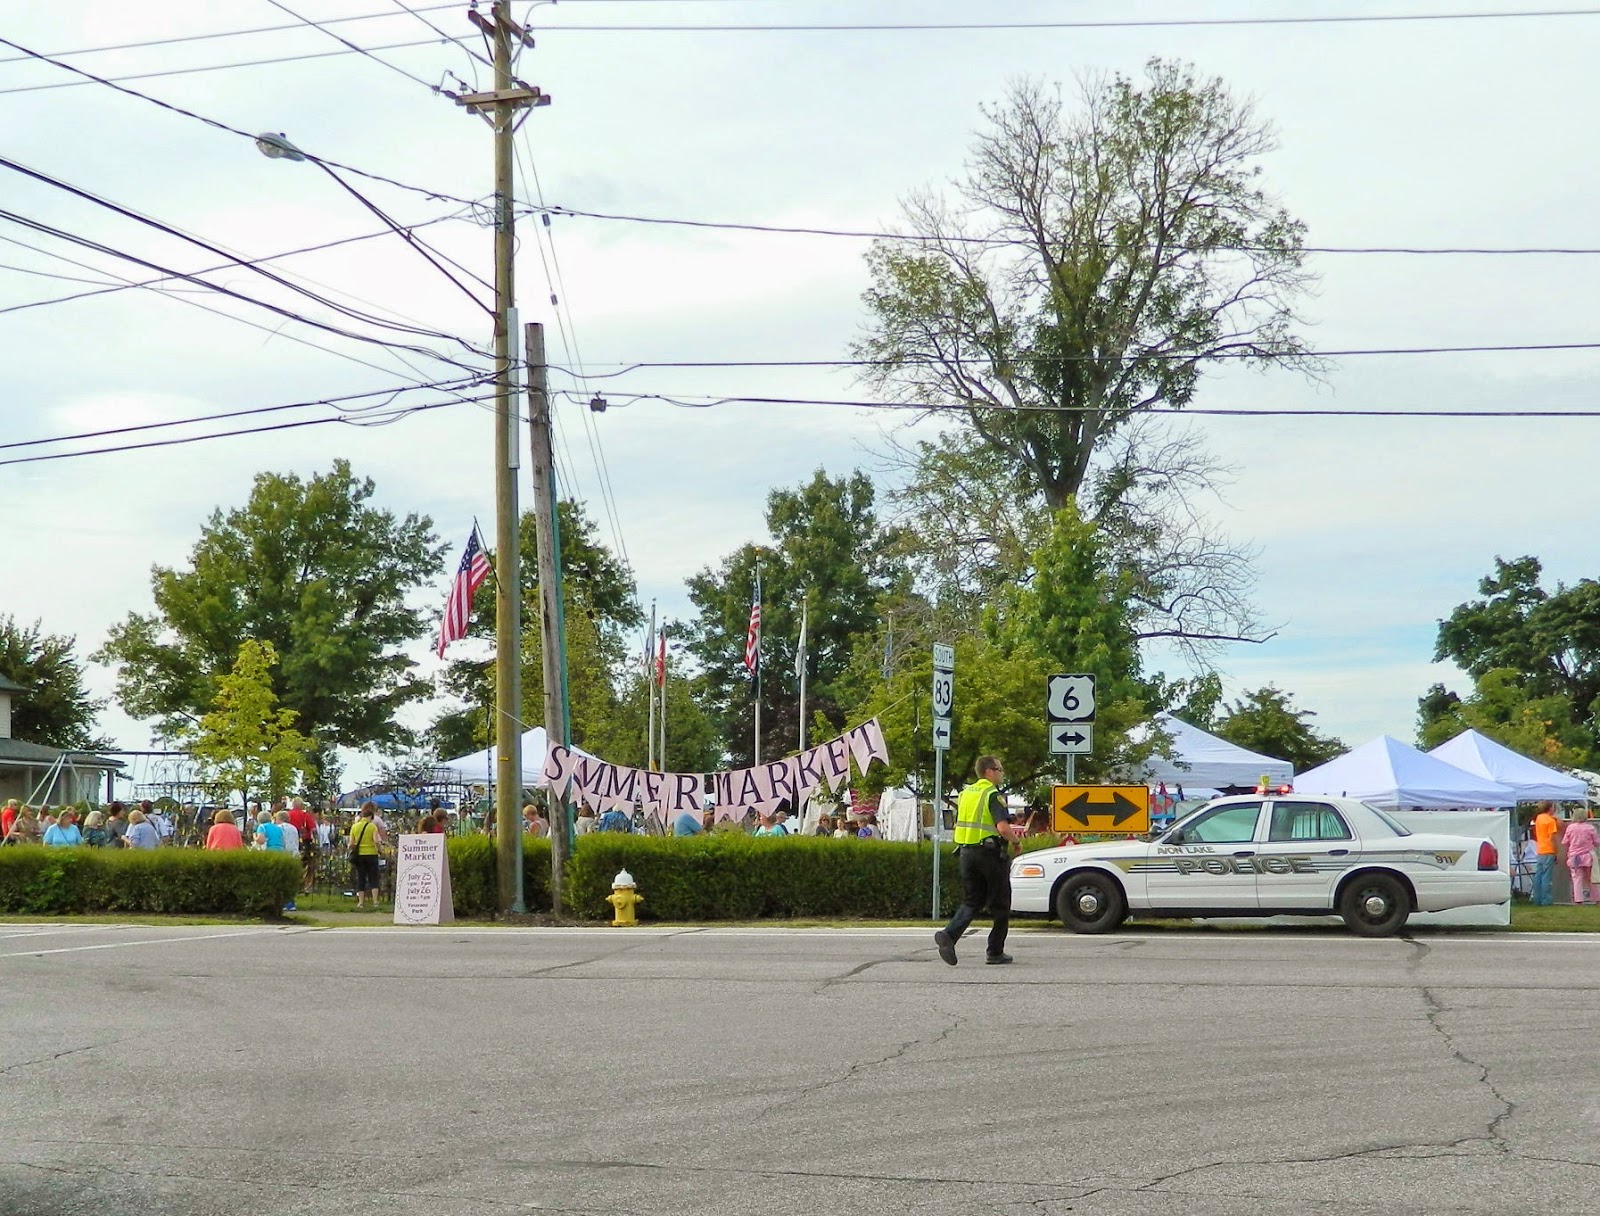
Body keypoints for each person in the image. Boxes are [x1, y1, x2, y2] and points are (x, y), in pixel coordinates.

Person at [934, 755, 1017, 967]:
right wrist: (1016, 841)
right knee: (1001, 905)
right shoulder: (992, 794)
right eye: (999, 769)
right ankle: (995, 952)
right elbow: (1002, 828)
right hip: (989, 854)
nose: (1002, 774)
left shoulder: (965, 794)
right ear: (989, 772)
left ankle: (949, 935)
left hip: (966, 853)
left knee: (973, 901)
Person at [348, 802, 384, 910]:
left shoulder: (354, 827)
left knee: (361, 878)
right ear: (371, 817)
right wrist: (380, 851)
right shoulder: (372, 827)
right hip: (371, 854)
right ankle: (375, 901)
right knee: (373, 878)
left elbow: (351, 844)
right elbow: (376, 841)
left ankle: (361, 902)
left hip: (359, 855)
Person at [1562, 806, 1598, 905]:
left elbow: (1565, 841)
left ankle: (1578, 899)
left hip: (1574, 856)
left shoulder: (1570, 827)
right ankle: (1596, 898)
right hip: (1588, 856)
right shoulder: (1590, 827)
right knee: (1591, 878)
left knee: (1576, 878)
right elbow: (1597, 842)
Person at [1531, 802, 1561, 906]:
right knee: (1546, 877)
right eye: (1553, 807)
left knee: (1538, 876)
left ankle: (1536, 898)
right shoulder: (1550, 821)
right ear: (1550, 808)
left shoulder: (1539, 818)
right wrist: (1556, 852)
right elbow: (1552, 838)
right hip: (1549, 849)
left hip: (1540, 849)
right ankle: (1546, 899)